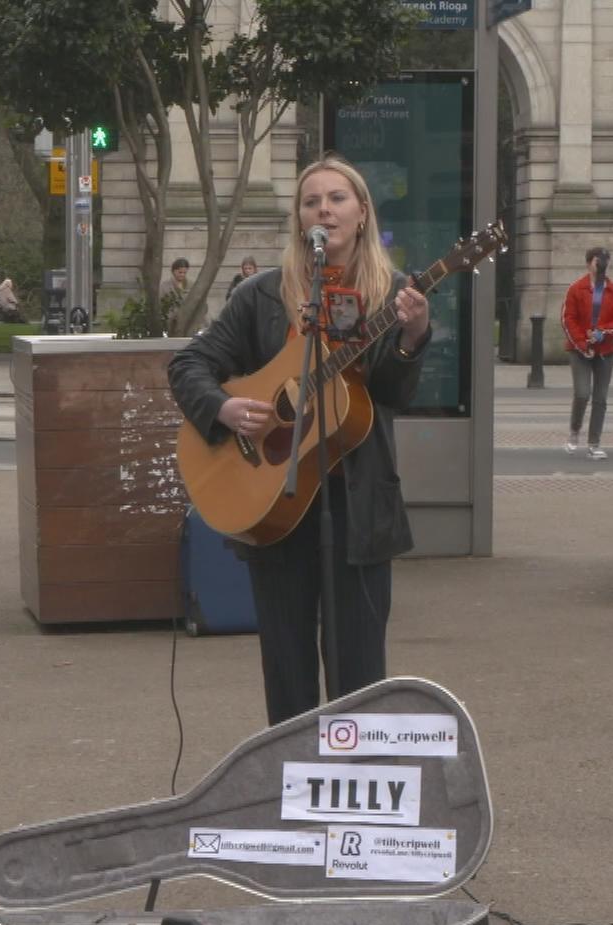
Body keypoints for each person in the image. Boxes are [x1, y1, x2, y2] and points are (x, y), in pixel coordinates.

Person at [167, 155, 431, 725]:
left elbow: (392, 394)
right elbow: (189, 364)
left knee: (359, 675)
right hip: (276, 505)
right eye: (311, 202)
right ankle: (291, 771)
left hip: (358, 508)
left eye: (337, 199)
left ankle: (355, 775)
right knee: (286, 671)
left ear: (362, 213)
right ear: (299, 219)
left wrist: (411, 337)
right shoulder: (262, 295)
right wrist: (225, 408)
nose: (324, 211)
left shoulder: (392, 294)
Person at [559, 246, 613, 460]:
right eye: (598, 261)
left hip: (605, 350)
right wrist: (582, 343)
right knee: (582, 393)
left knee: (600, 398)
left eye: (606, 261)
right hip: (580, 351)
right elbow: (568, 319)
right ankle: (574, 430)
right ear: (589, 264)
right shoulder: (576, 289)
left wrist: (602, 332)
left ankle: (594, 442)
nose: (602, 265)